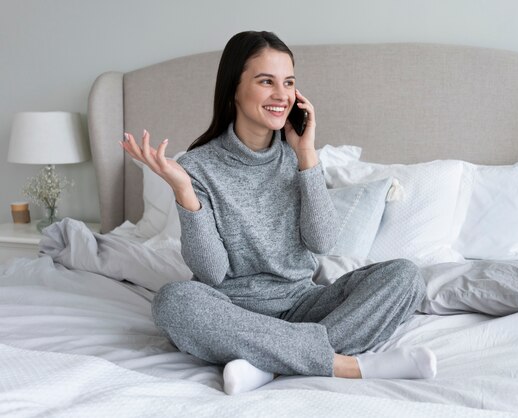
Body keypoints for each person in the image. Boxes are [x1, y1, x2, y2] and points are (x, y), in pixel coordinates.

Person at [120, 30, 436, 395]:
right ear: (234, 89)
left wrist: (307, 156)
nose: (281, 95)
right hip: (230, 309)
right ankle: (342, 364)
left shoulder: (298, 156)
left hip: (303, 303)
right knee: (174, 302)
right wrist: (183, 191)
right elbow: (210, 272)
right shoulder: (198, 166)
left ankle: (263, 363)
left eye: (288, 82)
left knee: (406, 276)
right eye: (265, 81)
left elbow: (322, 242)